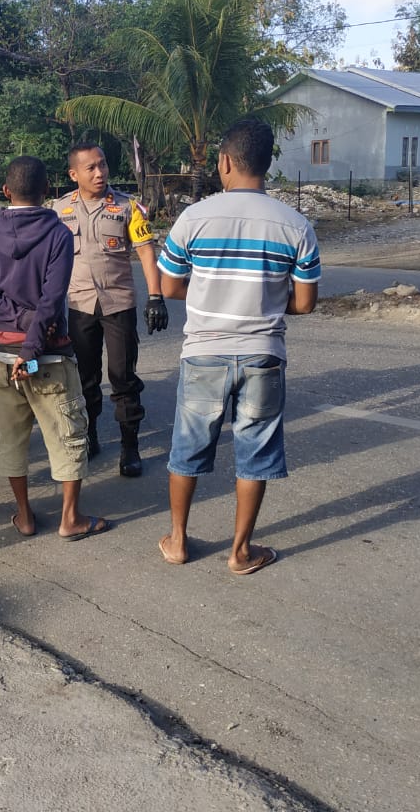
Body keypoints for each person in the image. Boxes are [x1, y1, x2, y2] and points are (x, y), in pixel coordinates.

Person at [156, 117, 320, 573]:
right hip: (263, 354)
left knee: (187, 448)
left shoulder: (194, 217)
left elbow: (170, 286)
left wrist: (213, 290)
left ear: (224, 162)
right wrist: (262, 292)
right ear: (266, 164)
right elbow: (304, 303)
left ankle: (178, 540)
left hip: (203, 353)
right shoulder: (296, 225)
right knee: (256, 450)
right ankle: (240, 551)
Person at [0, 156, 110, 541]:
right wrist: (31, 340)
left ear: (5, 191)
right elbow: (52, 299)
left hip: (1, 353)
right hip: (47, 354)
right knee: (68, 437)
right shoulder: (59, 235)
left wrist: (14, 320)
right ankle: (70, 519)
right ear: (47, 191)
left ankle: (25, 515)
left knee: (11, 440)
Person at [56, 143, 168, 478]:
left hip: (118, 304)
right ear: (74, 174)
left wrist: (156, 297)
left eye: (102, 165)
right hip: (79, 305)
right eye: (90, 168)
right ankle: (89, 437)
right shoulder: (58, 211)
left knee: (122, 376)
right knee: (85, 378)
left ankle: (129, 446)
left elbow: (147, 253)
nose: (100, 173)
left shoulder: (128, 207)